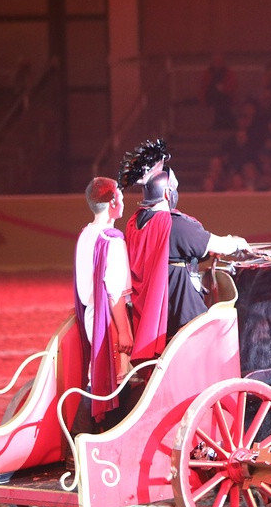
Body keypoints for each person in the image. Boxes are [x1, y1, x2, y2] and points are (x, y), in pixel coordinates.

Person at [119, 139, 251, 362]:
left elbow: (169, 254)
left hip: (150, 312)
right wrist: (237, 242)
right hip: (182, 312)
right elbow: (218, 244)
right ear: (168, 194)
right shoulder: (174, 224)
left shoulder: (136, 222)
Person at [73, 176, 133, 432]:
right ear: (111, 202)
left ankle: (81, 435)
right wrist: (124, 331)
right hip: (107, 320)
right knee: (118, 379)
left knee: (96, 375)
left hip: (91, 317)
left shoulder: (85, 235)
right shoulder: (112, 239)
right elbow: (114, 291)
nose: (123, 199)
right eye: (120, 195)